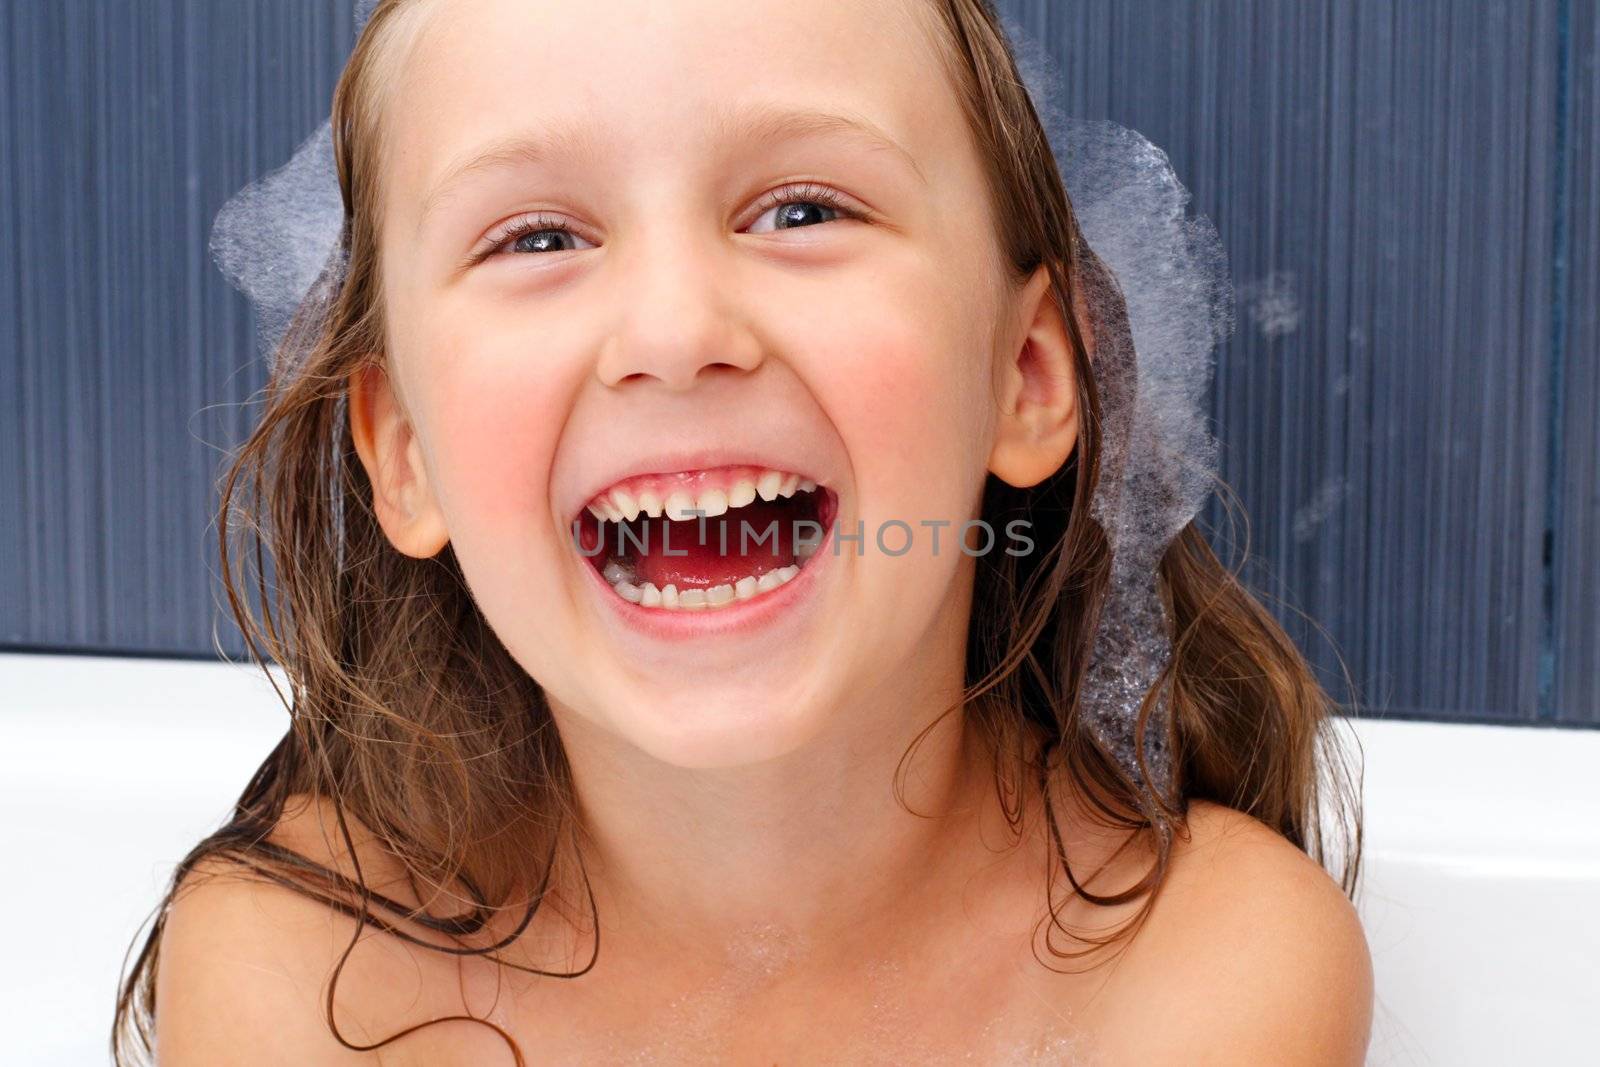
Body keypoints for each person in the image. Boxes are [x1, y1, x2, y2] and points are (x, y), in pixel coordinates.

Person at [115, 1, 1372, 1063]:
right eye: (537, 237)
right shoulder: (303, 974)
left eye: (803, 210)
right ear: (402, 454)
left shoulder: (1196, 968)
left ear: (1029, 373)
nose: (673, 330)